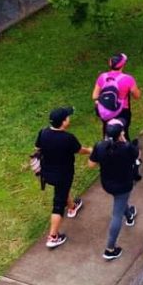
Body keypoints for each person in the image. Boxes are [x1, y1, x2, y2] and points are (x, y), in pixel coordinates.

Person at [36, 106, 91, 249]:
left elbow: (38, 148)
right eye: (68, 117)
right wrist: (91, 150)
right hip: (63, 174)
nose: (69, 118)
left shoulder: (43, 133)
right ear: (63, 122)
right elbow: (80, 150)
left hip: (47, 173)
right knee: (58, 204)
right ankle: (53, 237)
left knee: (62, 191)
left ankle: (73, 206)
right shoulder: (67, 138)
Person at [88, 119, 140, 261]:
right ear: (120, 134)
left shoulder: (100, 146)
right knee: (117, 215)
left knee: (121, 202)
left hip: (107, 184)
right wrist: (126, 141)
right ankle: (110, 249)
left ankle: (129, 214)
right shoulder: (127, 148)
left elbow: (91, 164)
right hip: (123, 185)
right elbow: (137, 156)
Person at [91, 53, 142, 138]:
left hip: (106, 110)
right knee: (123, 133)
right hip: (122, 111)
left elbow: (94, 96)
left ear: (110, 63)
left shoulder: (102, 77)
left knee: (107, 131)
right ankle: (127, 149)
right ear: (123, 65)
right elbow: (137, 96)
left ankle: (105, 148)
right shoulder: (128, 79)